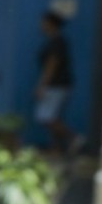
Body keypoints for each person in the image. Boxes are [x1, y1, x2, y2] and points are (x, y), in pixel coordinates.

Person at [34, 9, 78, 155]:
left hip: (56, 85)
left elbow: (51, 66)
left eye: (44, 22)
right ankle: (56, 148)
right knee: (52, 116)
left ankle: (73, 138)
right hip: (57, 85)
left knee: (46, 117)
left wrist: (42, 86)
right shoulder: (54, 41)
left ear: (51, 24)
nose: (41, 25)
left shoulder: (57, 42)